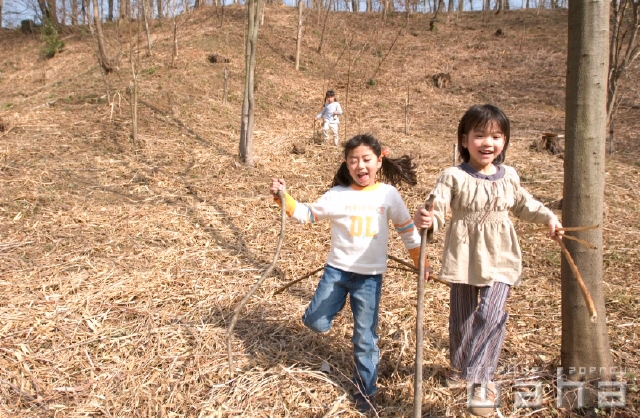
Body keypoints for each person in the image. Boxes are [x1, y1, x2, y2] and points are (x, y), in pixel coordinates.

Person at [413, 104, 563, 416]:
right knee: (462, 320)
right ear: (464, 140)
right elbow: (438, 207)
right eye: (479, 135)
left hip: (501, 256)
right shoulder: (452, 176)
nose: (487, 142)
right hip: (464, 256)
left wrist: (549, 216)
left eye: (496, 136)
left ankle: (480, 381)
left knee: (492, 315)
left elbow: (524, 204)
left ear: (505, 141)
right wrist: (428, 220)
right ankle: (461, 369)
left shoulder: (509, 176)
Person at [269, 134, 429, 414]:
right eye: (353, 160)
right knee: (316, 322)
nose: (360, 165)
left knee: (365, 337)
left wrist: (420, 260)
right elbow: (307, 215)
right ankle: (334, 306)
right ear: (346, 163)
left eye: (366, 159)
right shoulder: (337, 194)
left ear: (379, 161)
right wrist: (283, 197)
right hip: (337, 272)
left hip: (369, 278)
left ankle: (365, 393)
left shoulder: (388, 195)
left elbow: (406, 230)